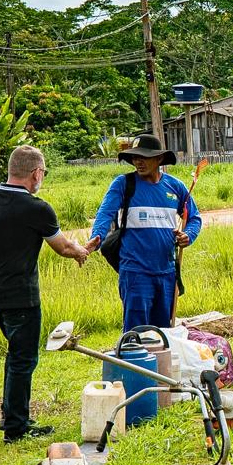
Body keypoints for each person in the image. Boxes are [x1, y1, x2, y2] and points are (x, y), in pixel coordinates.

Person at [0, 145, 88, 443]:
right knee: (22, 358)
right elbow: (64, 248)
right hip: (21, 297)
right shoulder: (37, 207)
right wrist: (82, 251)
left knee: (15, 353)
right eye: (42, 174)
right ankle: (16, 427)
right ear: (36, 173)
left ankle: (12, 415)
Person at [87, 134, 202, 331]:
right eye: (134, 157)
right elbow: (105, 214)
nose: (138, 162)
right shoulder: (123, 184)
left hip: (167, 273)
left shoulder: (175, 187)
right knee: (136, 333)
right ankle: (133, 362)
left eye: (144, 157)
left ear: (159, 159)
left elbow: (194, 218)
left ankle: (159, 363)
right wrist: (95, 239)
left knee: (163, 333)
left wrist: (188, 236)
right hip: (135, 272)